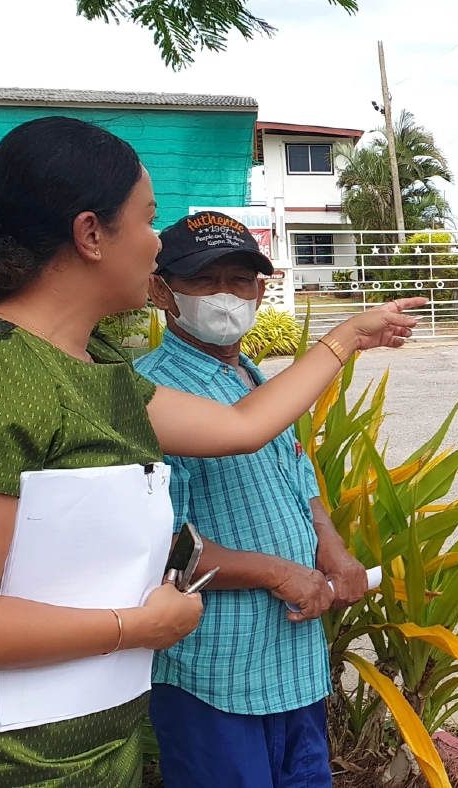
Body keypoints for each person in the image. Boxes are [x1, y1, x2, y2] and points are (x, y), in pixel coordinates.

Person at [0, 117, 424, 787]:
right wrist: (137, 625)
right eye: (148, 221)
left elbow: (240, 428)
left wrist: (349, 336)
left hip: (95, 747)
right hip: (9, 766)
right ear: (91, 234)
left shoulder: (96, 363)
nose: (156, 242)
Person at [133, 213, 371, 787]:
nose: (225, 295)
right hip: (215, 672)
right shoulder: (150, 393)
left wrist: (331, 547)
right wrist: (278, 574)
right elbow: (164, 545)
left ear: (261, 290)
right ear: (161, 290)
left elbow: (297, 474)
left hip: (291, 664)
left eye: (239, 280)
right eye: (203, 280)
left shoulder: (255, 378)